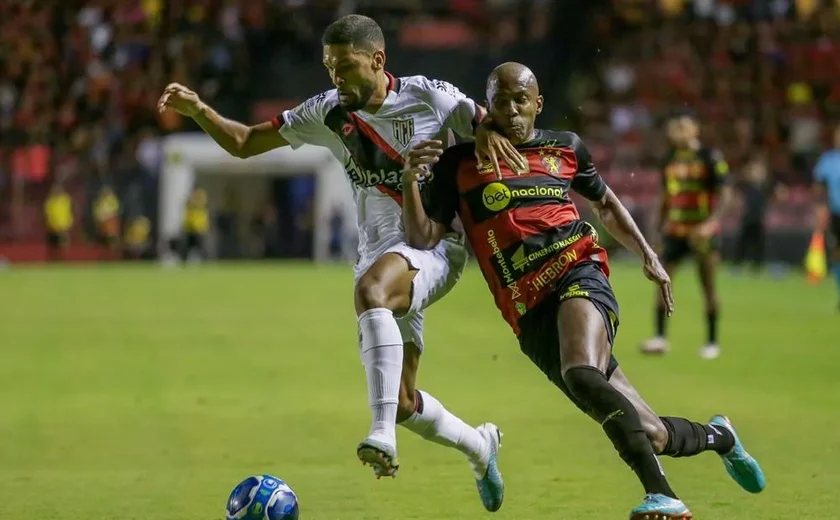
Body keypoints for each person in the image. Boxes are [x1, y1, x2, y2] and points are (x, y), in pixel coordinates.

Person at [157, 14, 523, 510]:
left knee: (371, 296)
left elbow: (494, 129)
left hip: (435, 245)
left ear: (377, 60)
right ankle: (481, 448)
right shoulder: (325, 112)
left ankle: (379, 436)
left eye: (346, 67)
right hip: (379, 256)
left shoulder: (430, 97)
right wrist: (200, 109)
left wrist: (486, 138)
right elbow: (244, 143)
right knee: (405, 402)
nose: (336, 78)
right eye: (330, 67)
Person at [401, 62, 765, 520]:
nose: (512, 111)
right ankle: (721, 437)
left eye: (521, 100)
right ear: (486, 106)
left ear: (539, 103)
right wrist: (411, 180)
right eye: (501, 101)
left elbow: (605, 203)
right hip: (526, 313)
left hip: (579, 272)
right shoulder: (460, 164)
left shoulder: (565, 147)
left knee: (580, 372)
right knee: (650, 433)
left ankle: (664, 497)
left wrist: (649, 255)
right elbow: (422, 239)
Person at [641, 112, 734, 360]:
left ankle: (712, 342)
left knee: (708, 285)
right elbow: (664, 197)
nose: (678, 130)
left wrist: (711, 223)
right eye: (675, 126)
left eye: (683, 126)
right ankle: (660, 338)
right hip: (674, 231)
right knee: (662, 282)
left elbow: (725, 194)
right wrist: (655, 230)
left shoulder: (710, 158)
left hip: (701, 233)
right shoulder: (668, 159)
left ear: (696, 130)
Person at [814, 123, 840, 310]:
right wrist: (820, 208)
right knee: (837, 254)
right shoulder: (828, 160)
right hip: (836, 213)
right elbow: (819, 188)